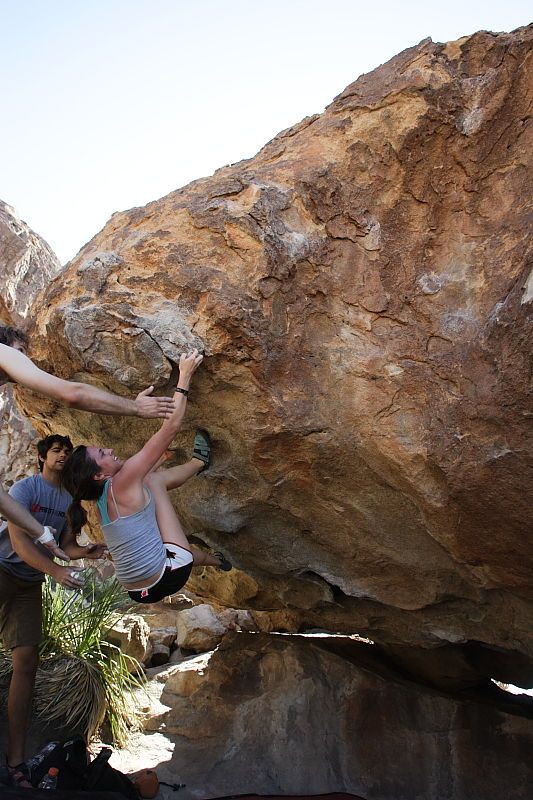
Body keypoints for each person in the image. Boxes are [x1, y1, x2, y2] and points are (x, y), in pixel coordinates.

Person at [61, 349, 231, 605]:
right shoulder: (125, 479)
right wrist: (184, 376)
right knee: (154, 482)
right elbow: (170, 427)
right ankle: (198, 462)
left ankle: (217, 561)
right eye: (101, 453)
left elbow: (135, 493)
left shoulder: (101, 502)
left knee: (162, 533)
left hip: (136, 591)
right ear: (99, 474)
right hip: (167, 575)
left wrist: (157, 459)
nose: (108, 449)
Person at [0, 324, 175, 549]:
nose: (25, 360)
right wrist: (136, 408)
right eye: (21, 351)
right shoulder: (5, 352)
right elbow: (72, 394)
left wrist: (41, 533)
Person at [0, 434, 107, 787]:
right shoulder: (25, 490)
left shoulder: (67, 500)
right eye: (55, 450)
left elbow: (64, 546)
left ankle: (16, 759)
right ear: (43, 456)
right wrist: (57, 571)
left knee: (27, 661)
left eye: (66, 451)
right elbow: (18, 540)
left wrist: (85, 552)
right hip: (2, 570)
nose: (61, 455)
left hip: (29, 584)